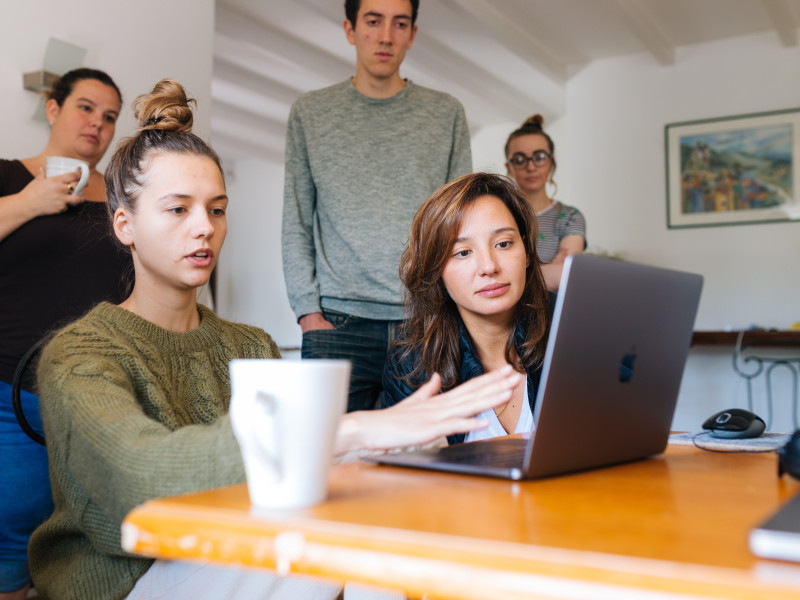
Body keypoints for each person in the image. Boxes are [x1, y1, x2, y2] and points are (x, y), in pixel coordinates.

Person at [28, 79, 520, 600]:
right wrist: (345, 431)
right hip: (130, 579)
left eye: (216, 209)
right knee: (327, 532)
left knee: (409, 453)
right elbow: (139, 479)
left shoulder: (249, 344)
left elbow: (290, 485)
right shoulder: (77, 355)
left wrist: (393, 440)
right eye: (178, 209)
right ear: (124, 224)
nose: (205, 228)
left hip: (235, 545)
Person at [282, 0, 472, 413]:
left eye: (399, 23)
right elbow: (295, 218)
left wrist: (453, 308)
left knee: (420, 462)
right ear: (350, 29)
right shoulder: (310, 113)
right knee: (328, 463)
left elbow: (461, 223)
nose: (386, 35)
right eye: (373, 21)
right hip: (335, 323)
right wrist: (307, 312)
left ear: (412, 34)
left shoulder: (446, 114)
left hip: (424, 321)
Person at [0, 67, 130, 600]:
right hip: (12, 392)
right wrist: (32, 202)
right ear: (53, 109)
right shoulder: (9, 177)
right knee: (11, 532)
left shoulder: (124, 197)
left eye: (109, 117)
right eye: (85, 108)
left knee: (99, 540)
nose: (97, 124)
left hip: (100, 394)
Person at [382, 172, 551, 444]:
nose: (489, 267)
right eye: (463, 252)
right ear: (436, 270)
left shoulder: (571, 332)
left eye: (504, 244)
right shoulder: (411, 365)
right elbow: (405, 480)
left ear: (527, 253)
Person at [504, 114, 585, 291]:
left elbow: (565, 275)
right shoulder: (498, 215)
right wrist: (547, 271)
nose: (531, 167)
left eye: (539, 157)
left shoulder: (570, 217)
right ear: (508, 167)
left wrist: (507, 279)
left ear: (551, 162)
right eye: (519, 159)